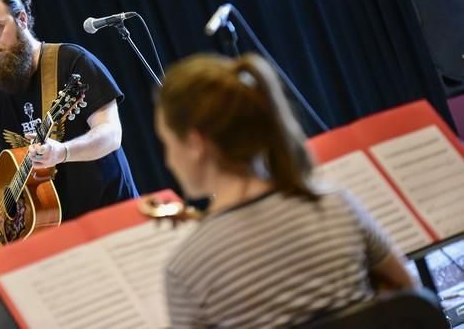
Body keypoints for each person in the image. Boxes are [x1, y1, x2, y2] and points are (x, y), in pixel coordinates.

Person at [153, 53, 417, 328]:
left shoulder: (187, 267)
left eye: (167, 143)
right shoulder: (336, 206)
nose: (169, 159)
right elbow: (412, 300)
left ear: (196, 143)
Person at [0, 0, 137, 237]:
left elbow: (111, 134)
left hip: (115, 221)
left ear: (22, 19)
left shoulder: (71, 63)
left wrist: (64, 151)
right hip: (54, 241)